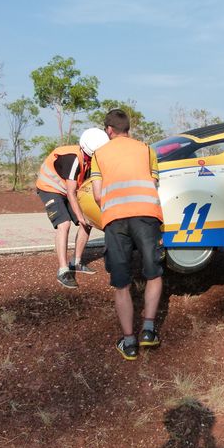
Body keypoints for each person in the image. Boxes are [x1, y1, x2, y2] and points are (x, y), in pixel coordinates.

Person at [91, 109, 165, 361]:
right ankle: (148, 330)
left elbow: (98, 195)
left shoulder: (99, 154)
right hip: (146, 213)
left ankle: (130, 342)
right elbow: (153, 183)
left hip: (115, 217)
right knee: (153, 273)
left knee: (121, 282)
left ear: (109, 130)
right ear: (128, 129)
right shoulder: (146, 149)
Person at [36, 127, 109, 289]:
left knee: (87, 222)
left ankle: (76, 262)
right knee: (64, 224)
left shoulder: (91, 158)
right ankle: (63, 270)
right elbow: (70, 192)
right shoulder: (73, 158)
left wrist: (87, 217)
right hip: (50, 188)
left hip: (68, 189)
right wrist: (79, 216)